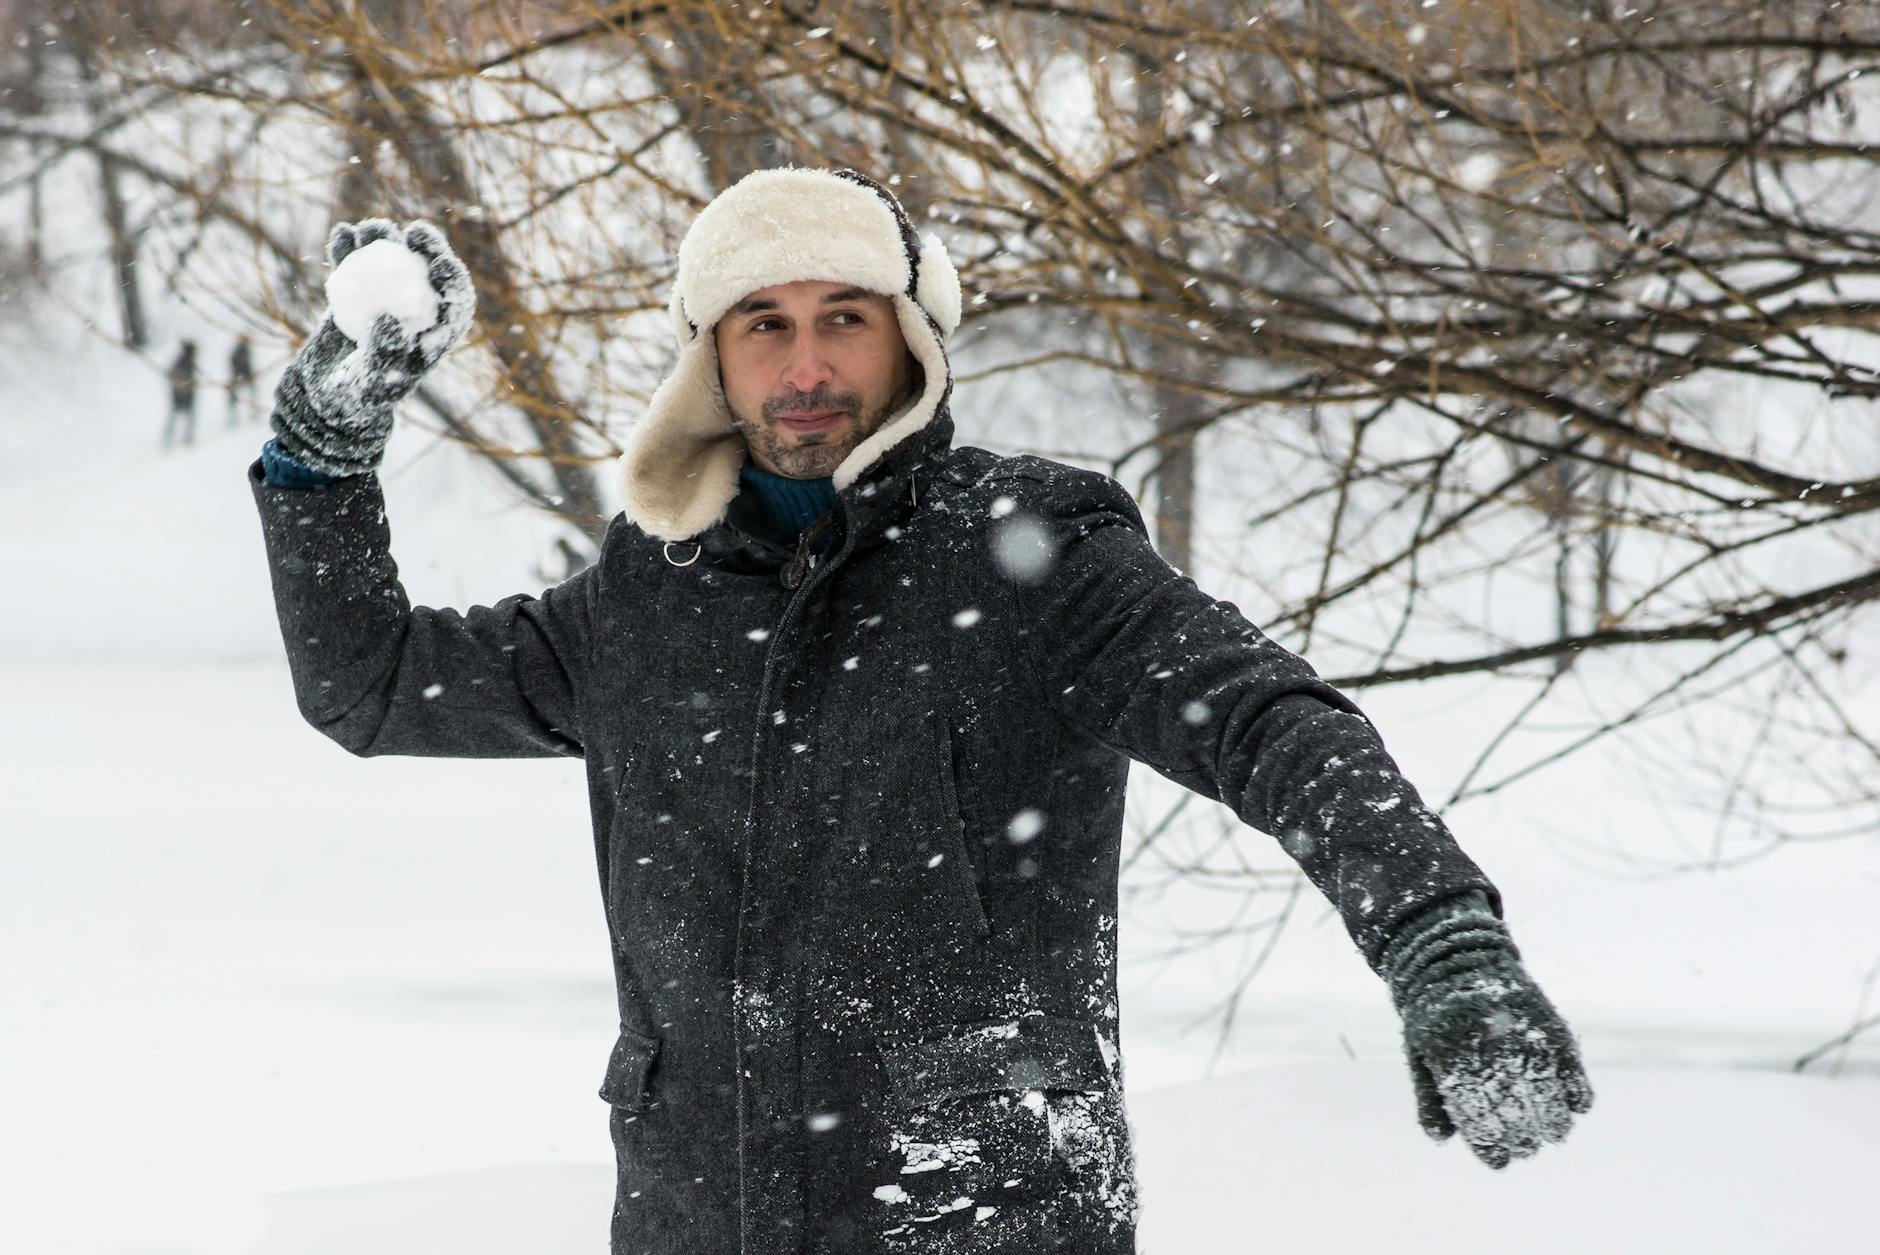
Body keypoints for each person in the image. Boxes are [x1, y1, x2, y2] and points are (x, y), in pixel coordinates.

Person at [248, 168, 1593, 1255]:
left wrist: (1439, 937)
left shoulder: (1029, 553)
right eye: (763, 323)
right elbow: (370, 686)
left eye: (847, 314)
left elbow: (1269, 719)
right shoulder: (646, 596)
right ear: (711, 358)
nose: (808, 363)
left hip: (977, 1213)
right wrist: (322, 448)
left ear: (911, 335)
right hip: (691, 1217)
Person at [161, 339, 197, 447]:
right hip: (180, 394)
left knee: (183, 416)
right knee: (176, 417)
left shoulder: (187, 361)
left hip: (185, 394)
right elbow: (172, 375)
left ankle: (186, 437)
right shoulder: (182, 361)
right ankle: (169, 438)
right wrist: (183, 384)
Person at [226, 334, 256, 428]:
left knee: (252, 393)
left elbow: (247, 363)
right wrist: (240, 374)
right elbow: (234, 361)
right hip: (239, 375)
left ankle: (253, 413)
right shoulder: (240, 349)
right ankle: (232, 418)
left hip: (244, 374)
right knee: (234, 397)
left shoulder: (245, 348)